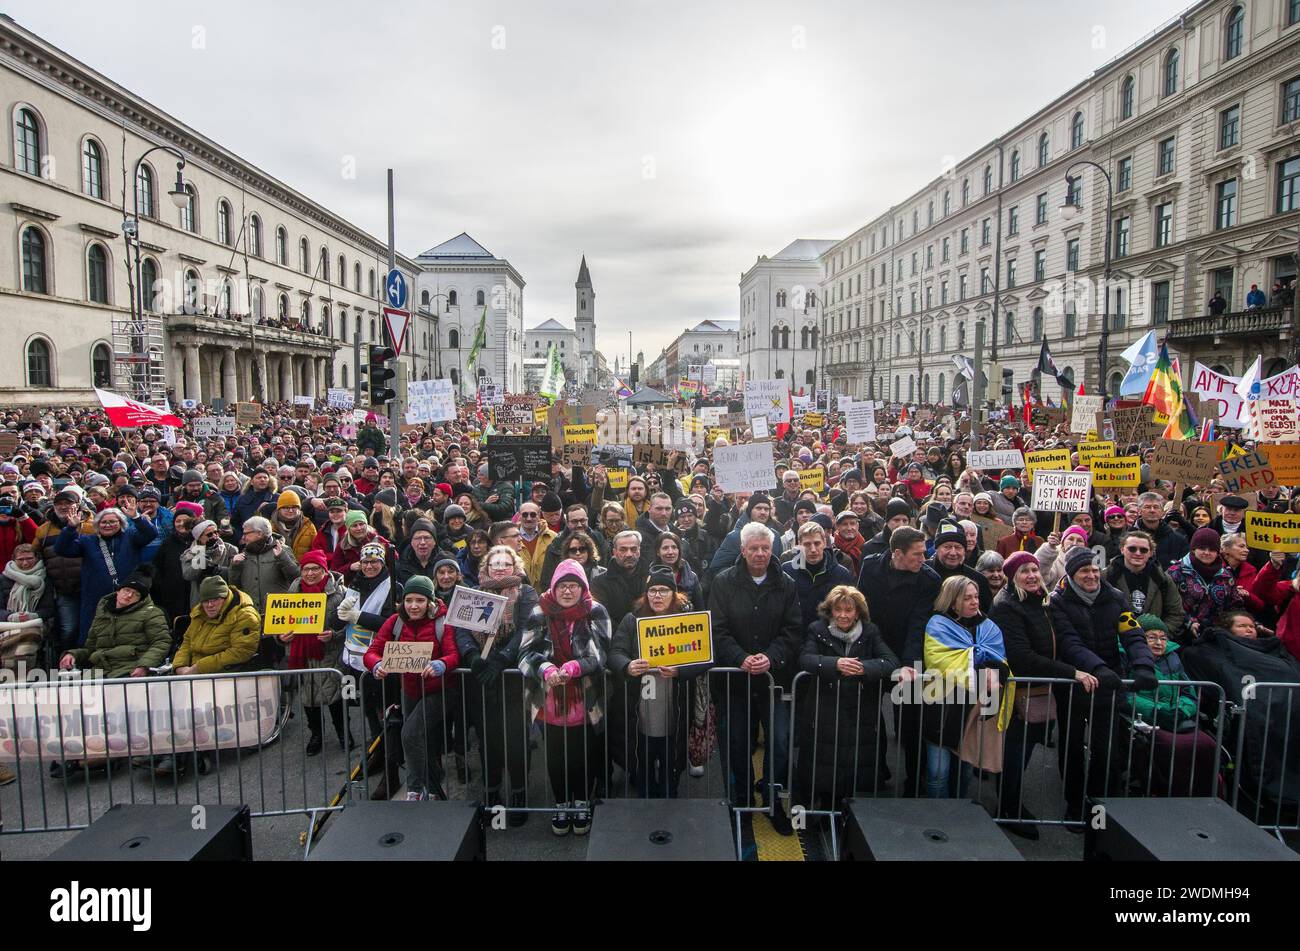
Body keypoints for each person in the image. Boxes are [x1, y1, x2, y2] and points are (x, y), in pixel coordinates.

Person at [989, 551, 1097, 838]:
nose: (1032, 576)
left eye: (1035, 570)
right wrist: (1071, 671)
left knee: (1023, 749)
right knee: (1015, 752)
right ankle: (1008, 808)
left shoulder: (1040, 603)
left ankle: (1009, 801)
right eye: (1024, 571)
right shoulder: (1007, 607)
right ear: (1012, 577)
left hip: (1039, 690)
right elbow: (1022, 656)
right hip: (1019, 692)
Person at [1050, 547, 1157, 822]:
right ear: (1073, 574)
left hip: (1108, 685)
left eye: (1095, 570)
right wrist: (1097, 667)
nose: (1091, 575)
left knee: (1105, 750)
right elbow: (1068, 642)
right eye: (1085, 571)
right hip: (1074, 685)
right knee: (1072, 747)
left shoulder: (1116, 598)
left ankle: (1099, 808)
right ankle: (1074, 803)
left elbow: (1132, 633)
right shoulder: (1058, 601)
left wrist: (1144, 665)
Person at [708, 522, 802, 833]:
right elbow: (717, 630)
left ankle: (773, 800)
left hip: (773, 679)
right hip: (735, 680)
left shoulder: (786, 583)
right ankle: (743, 799)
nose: (760, 554)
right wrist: (741, 658)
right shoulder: (723, 582)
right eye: (754, 549)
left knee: (779, 740)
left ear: (772, 549)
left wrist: (770, 657)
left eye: (765, 548)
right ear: (743, 550)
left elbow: (792, 629)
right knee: (737, 742)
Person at [518, 559, 612, 836]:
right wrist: (545, 668)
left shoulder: (596, 611)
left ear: (583, 587)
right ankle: (561, 803)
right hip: (549, 697)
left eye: (573, 585)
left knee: (583, 754)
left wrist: (575, 667)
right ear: (553, 587)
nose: (567, 591)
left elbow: (601, 653)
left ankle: (582, 802)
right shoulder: (539, 612)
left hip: (586, 695)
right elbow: (524, 653)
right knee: (556, 755)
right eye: (562, 585)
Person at [794, 585, 898, 813]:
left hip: (858, 713)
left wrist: (863, 668)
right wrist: (835, 664)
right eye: (837, 609)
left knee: (852, 765)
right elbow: (806, 659)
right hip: (825, 712)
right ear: (830, 611)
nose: (842, 615)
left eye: (848, 610)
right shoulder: (817, 629)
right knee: (822, 765)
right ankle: (821, 810)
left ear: (858, 612)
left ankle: (846, 811)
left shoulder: (870, 632)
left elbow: (890, 662)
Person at [454, 544, 536, 821]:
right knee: (487, 738)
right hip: (481, 677)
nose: (500, 568)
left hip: (512, 677)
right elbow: (461, 627)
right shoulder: (474, 594)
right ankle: (491, 791)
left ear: (515, 566)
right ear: (486, 568)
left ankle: (519, 792)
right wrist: (472, 654)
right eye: (494, 564)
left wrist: (503, 659)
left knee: (515, 738)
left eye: (505, 564)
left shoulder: (526, 593)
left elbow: (525, 629)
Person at [856, 526, 939, 796]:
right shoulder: (870, 568)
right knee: (869, 720)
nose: (923, 559)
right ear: (897, 553)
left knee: (914, 726)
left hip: (909, 657)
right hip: (874, 653)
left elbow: (919, 624)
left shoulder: (928, 579)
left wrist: (908, 664)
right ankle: (876, 773)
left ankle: (914, 783)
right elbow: (863, 613)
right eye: (917, 554)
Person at [364, 574, 460, 801]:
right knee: (417, 738)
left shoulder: (442, 621)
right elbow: (372, 651)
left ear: (430, 601)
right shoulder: (395, 621)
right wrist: (376, 664)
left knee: (409, 734)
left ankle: (427, 787)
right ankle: (418, 789)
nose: (414, 606)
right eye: (409, 601)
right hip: (409, 690)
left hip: (440, 690)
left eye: (420, 600)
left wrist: (441, 664)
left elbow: (453, 654)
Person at [609, 566, 701, 798]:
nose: (657, 595)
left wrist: (681, 671)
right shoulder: (632, 621)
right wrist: (626, 665)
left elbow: (705, 658)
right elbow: (616, 651)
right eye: (652, 591)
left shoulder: (687, 620)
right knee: (643, 767)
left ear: (674, 594)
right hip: (641, 709)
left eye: (663, 590)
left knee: (672, 766)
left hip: (675, 706)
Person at [157, 575, 261, 777]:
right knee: (160, 697)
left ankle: (178, 754)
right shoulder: (199, 614)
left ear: (225, 597)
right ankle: (162, 747)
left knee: (192, 704)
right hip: (192, 670)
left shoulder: (244, 615)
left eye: (215, 600)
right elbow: (186, 641)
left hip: (224, 670)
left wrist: (198, 667)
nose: (210, 605)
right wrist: (179, 666)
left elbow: (240, 652)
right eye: (206, 601)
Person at [921, 576, 1009, 799]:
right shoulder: (937, 625)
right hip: (943, 709)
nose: (974, 602)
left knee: (966, 768)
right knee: (937, 772)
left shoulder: (989, 627)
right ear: (952, 601)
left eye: (976, 597)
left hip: (974, 710)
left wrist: (993, 667)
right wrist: (984, 666)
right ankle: (940, 816)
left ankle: (960, 814)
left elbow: (1001, 661)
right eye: (967, 598)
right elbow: (939, 662)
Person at [1123, 614, 1220, 797]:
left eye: (1163, 638)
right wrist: (1158, 711)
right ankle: (1164, 794)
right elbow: (1125, 695)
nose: (1159, 643)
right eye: (1151, 637)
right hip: (1146, 720)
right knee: (1169, 745)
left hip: (1176, 718)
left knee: (1207, 744)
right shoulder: (1126, 657)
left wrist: (1182, 710)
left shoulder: (1174, 658)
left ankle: (1202, 798)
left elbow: (1188, 692)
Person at [337, 542, 402, 800]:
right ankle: (377, 755)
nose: (370, 566)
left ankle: (391, 772)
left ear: (382, 563)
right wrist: (337, 620)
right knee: (369, 713)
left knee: (388, 717)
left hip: (382, 662)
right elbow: (340, 617)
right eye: (365, 562)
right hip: (354, 661)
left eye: (375, 562)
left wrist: (358, 617)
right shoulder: (354, 585)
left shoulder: (392, 586)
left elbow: (393, 623)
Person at [54, 505, 157, 644]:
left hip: (127, 596)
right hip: (95, 599)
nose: (108, 525)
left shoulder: (130, 537)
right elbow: (62, 549)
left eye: (113, 522)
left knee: (128, 634)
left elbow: (151, 534)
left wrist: (136, 518)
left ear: (120, 523)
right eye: (104, 522)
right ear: (97, 525)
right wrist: (71, 528)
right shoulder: (88, 541)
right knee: (94, 635)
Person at [279, 550, 348, 757]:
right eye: (306, 569)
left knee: (335, 697)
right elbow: (279, 624)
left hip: (329, 655)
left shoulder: (340, 593)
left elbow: (350, 625)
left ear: (324, 570)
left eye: (315, 569)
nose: (310, 573)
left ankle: (343, 734)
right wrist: (280, 638)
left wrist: (334, 635)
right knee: (308, 699)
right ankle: (316, 734)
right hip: (303, 656)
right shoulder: (291, 594)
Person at [57, 565, 169, 680]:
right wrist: (72, 654)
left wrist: (145, 665)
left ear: (141, 599)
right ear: (118, 591)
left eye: (136, 594)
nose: (129, 595)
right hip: (99, 671)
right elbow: (91, 649)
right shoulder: (102, 613)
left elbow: (161, 642)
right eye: (127, 590)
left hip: (130, 670)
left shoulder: (152, 613)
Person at [1106, 529, 1186, 636]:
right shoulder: (1106, 576)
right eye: (1132, 549)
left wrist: (1160, 634)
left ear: (1150, 553)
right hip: (1116, 640)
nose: (1137, 553)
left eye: (1143, 550)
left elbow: (1176, 613)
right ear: (1122, 549)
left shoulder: (1163, 579)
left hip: (1154, 643)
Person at [1167, 527, 1243, 640]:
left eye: (1212, 549)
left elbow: (1234, 606)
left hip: (1217, 636)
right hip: (1181, 636)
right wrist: (1188, 622)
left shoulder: (1226, 576)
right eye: (1202, 548)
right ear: (1193, 549)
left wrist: (1248, 623)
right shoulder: (1175, 572)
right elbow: (1168, 605)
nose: (1207, 553)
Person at [222, 516, 300, 620]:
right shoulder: (243, 555)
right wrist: (235, 567)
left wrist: (282, 557)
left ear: (259, 533)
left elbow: (296, 578)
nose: (243, 538)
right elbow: (234, 588)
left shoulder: (282, 550)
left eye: (246, 534)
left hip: (278, 616)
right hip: (251, 617)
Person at [783, 521, 854, 628]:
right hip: (794, 637)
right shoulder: (787, 571)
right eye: (807, 544)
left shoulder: (841, 574)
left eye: (817, 543)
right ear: (799, 545)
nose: (813, 549)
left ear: (824, 543)